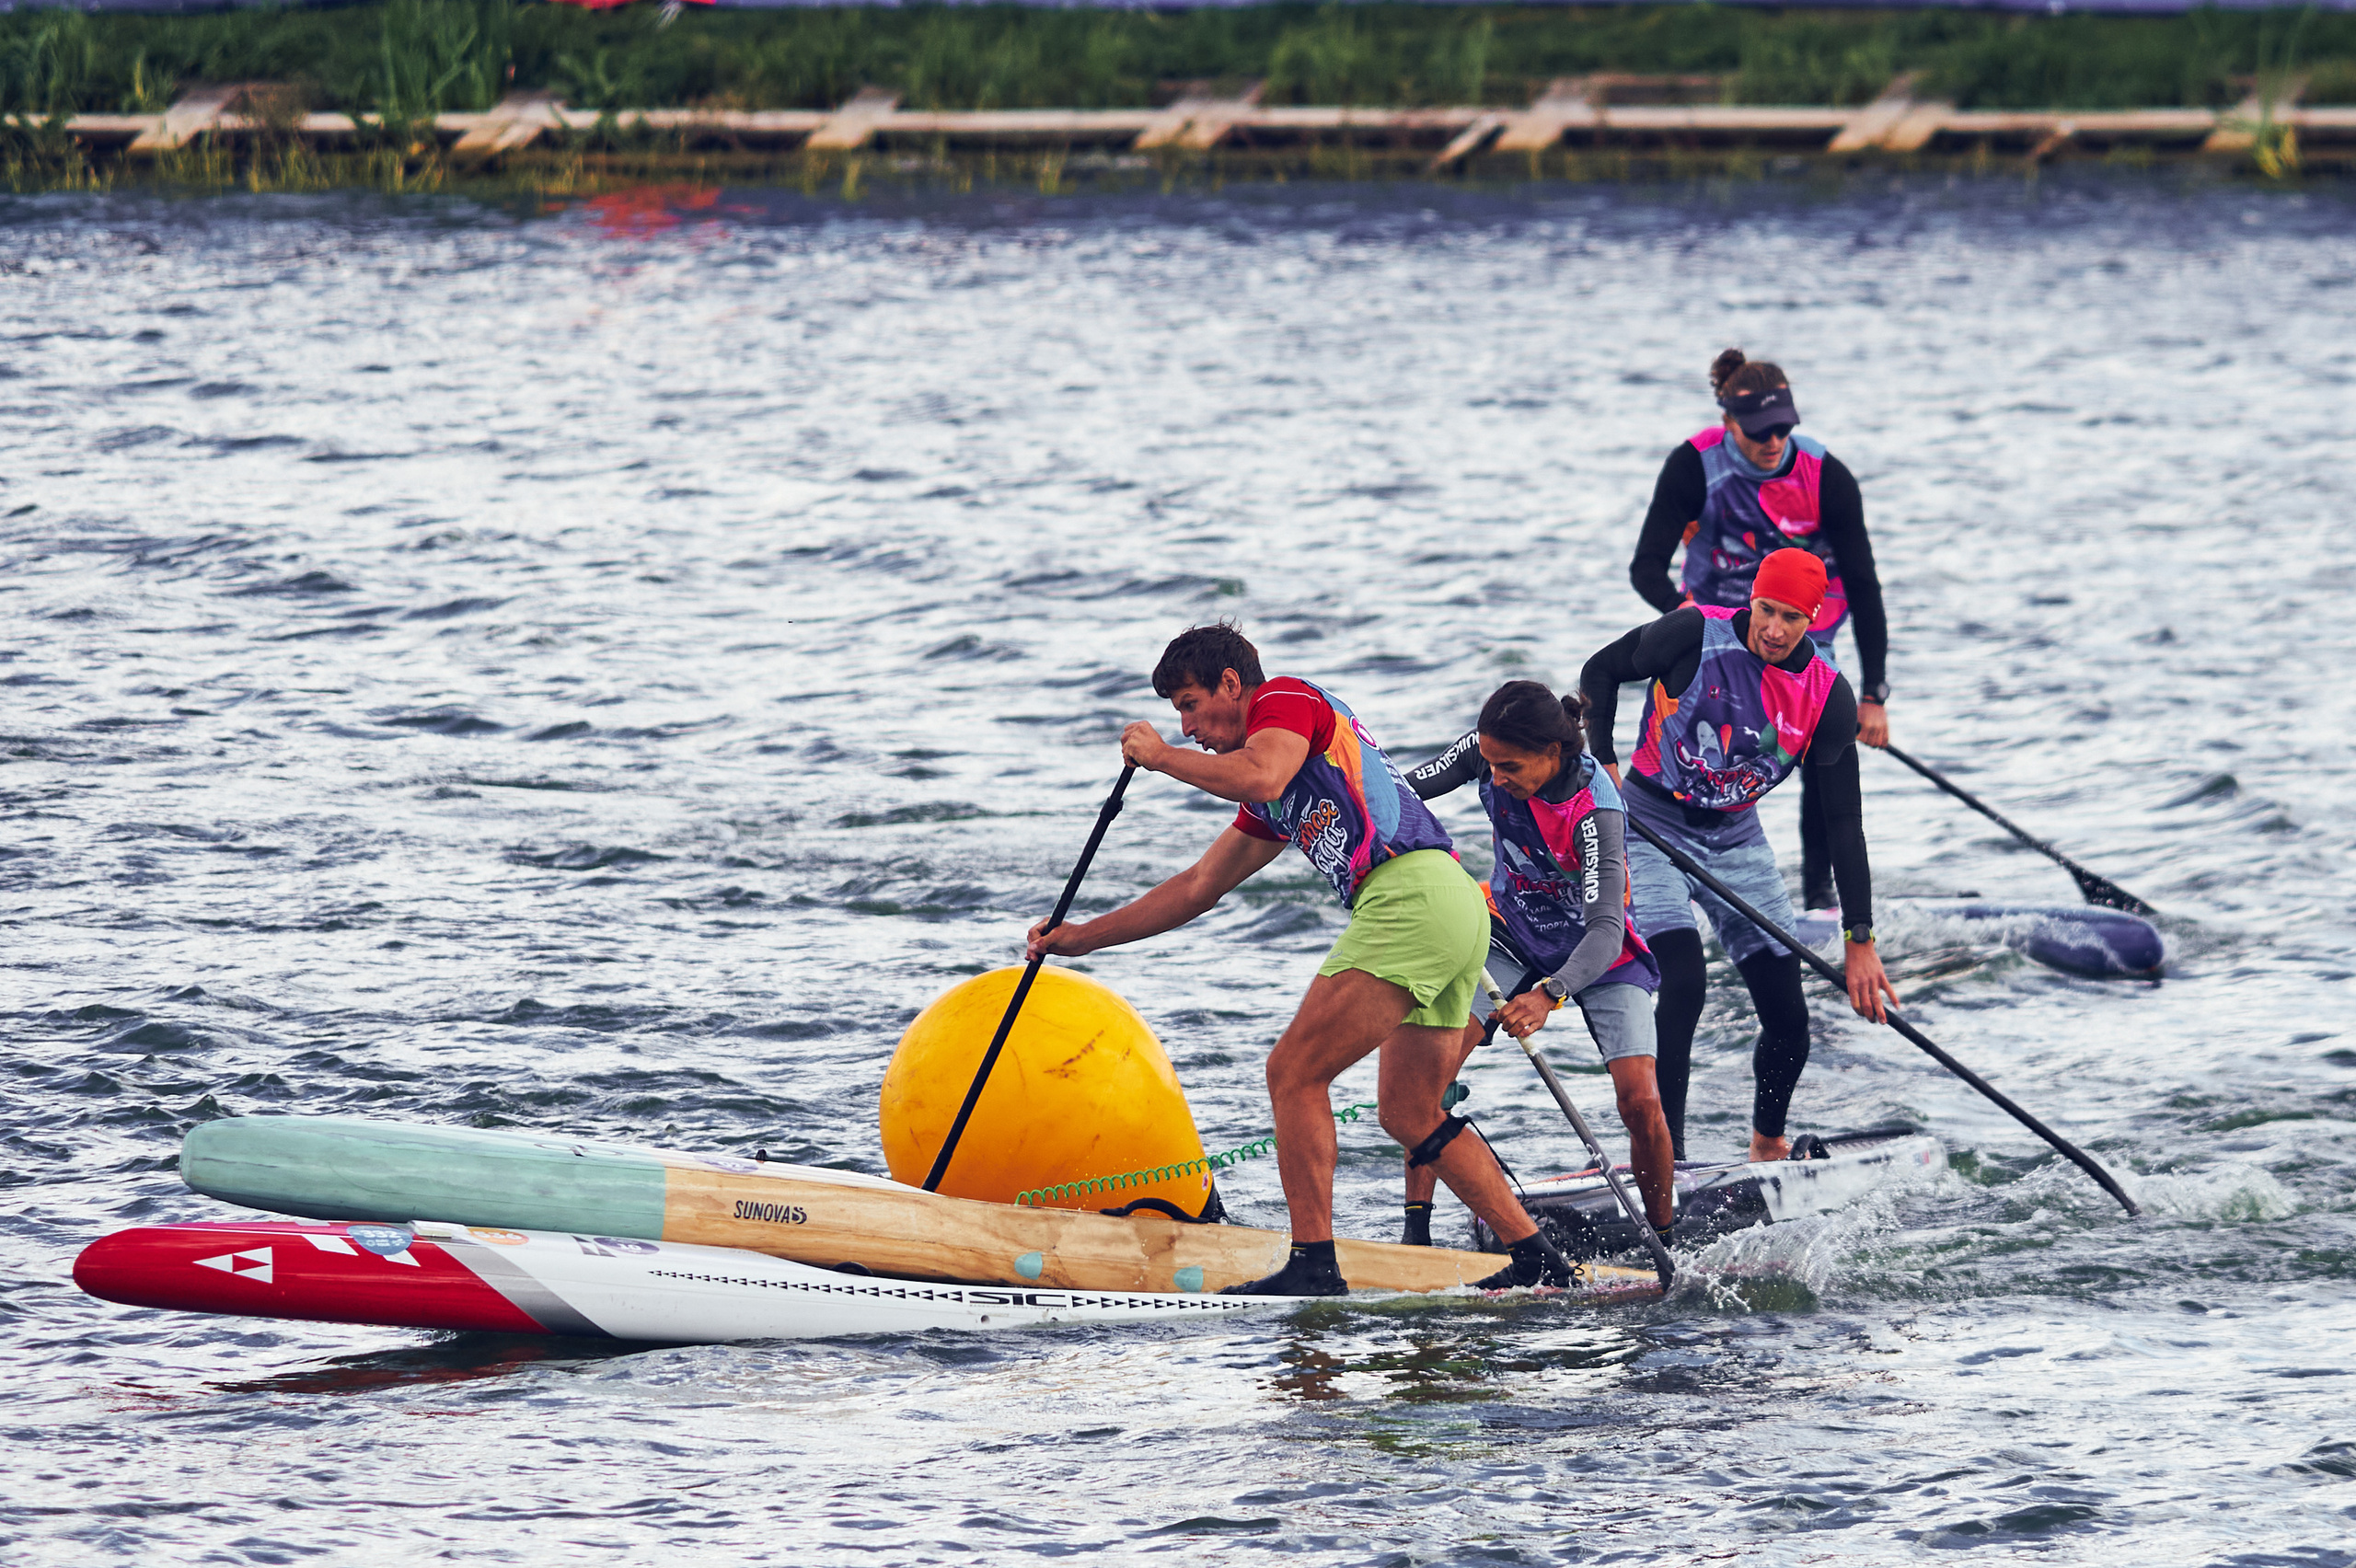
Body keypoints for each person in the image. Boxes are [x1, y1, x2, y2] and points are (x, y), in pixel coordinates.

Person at [1024, 623, 1576, 1297]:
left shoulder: (1283, 700)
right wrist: (1085, 937)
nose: (1189, 726)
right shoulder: (1278, 794)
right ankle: (1538, 1257)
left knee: (1293, 1073)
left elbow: (1258, 770)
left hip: (1413, 897)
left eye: (1191, 705)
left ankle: (1314, 1264)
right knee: (1410, 1112)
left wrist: (1162, 756)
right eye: (1178, 716)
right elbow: (1200, 885)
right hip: (1455, 906)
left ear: (1233, 685)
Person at [1579, 548, 1899, 1163]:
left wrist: (1861, 936)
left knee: (1789, 1018)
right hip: (1649, 827)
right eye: (1766, 611)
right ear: (1751, 600)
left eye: (1792, 619)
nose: (1774, 629)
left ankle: (1767, 1143)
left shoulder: (1828, 698)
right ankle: (1662, 1158)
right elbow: (1600, 671)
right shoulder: (1693, 632)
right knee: (1685, 985)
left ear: (1814, 620)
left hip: (1737, 841)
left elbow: (1843, 823)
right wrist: (1605, 760)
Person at [1400, 680, 1676, 1246]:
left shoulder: (1596, 812)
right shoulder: (1489, 749)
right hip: (1511, 930)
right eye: (1490, 762)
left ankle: (1666, 1237)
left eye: (1510, 768)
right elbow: (1403, 792)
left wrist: (1550, 994)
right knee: (1428, 1078)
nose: (1495, 775)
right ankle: (1416, 1237)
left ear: (1554, 754)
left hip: (1596, 953)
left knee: (1641, 1098)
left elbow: (1605, 930)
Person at [1627, 348, 1892, 910]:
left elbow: (1865, 585)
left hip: (1804, 634)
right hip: (1715, 635)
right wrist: (1689, 621)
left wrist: (1873, 696)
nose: (1773, 443)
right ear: (1728, 422)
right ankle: (1663, 871)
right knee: (1702, 753)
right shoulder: (1694, 465)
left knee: (1824, 760)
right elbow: (1646, 567)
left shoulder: (1826, 476)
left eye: (1783, 430)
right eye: (1758, 432)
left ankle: (1820, 897)